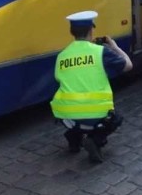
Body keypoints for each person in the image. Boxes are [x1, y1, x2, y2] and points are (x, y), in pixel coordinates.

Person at [50, 10, 133, 163]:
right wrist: (114, 46)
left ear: (71, 32)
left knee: (76, 118)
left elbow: (59, 79)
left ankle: (73, 139)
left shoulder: (61, 56)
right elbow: (128, 65)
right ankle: (95, 141)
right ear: (91, 30)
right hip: (96, 114)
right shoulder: (101, 52)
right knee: (116, 119)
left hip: (65, 115)